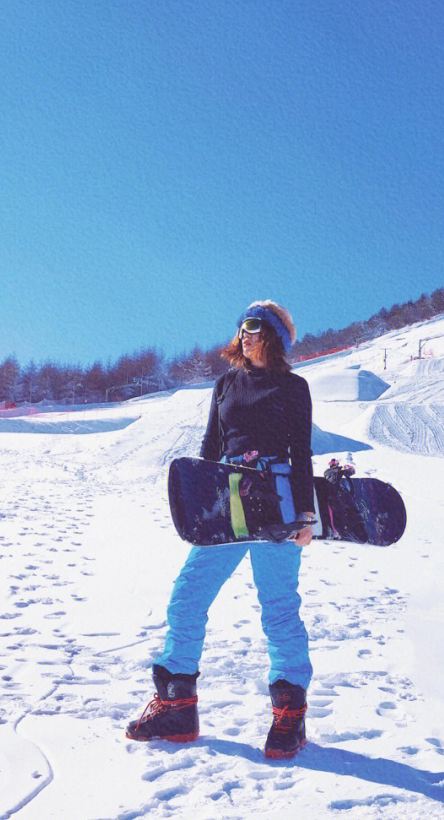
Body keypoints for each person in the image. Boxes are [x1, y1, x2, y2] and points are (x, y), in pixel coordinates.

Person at [126, 300, 316, 759]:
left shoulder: (293, 387)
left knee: (278, 608)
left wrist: (306, 515)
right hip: (227, 501)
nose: (244, 333)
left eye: (253, 326)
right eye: (241, 326)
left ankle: (289, 715)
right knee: (188, 596)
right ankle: (177, 707)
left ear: (273, 336)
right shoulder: (225, 383)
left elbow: (302, 453)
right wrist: (198, 504)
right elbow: (211, 447)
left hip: (277, 504)